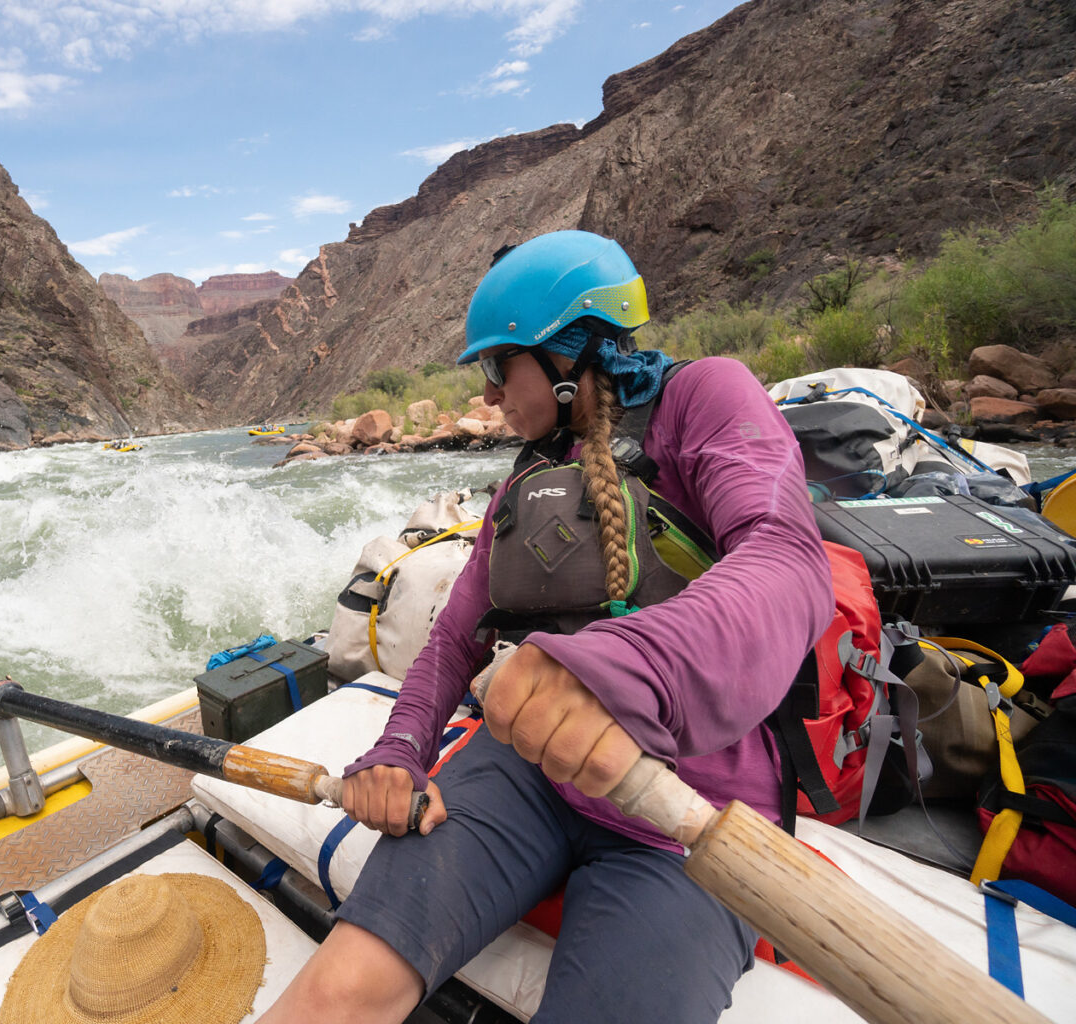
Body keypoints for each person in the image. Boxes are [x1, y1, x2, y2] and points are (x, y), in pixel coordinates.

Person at [260, 230, 833, 1024]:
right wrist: (398, 749)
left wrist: (621, 666)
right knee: (339, 995)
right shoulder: (530, 473)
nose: (489, 393)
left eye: (498, 366)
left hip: (686, 804)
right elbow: (455, 639)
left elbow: (787, 560)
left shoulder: (708, 397)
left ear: (568, 356)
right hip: (525, 771)